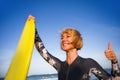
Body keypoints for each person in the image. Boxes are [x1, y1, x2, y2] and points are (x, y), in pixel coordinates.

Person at [31, 16, 120, 79]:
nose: (63, 40)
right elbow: (42, 51)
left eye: (68, 36)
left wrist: (114, 61)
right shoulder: (60, 66)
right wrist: (33, 29)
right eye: (62, 38)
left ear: (77, 41)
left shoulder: (88, 63)